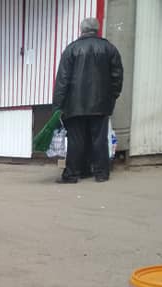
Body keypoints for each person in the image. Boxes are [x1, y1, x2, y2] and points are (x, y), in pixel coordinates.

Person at [52, 17, 124, 183]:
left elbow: (62, 80)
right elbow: (117, 77)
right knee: (99, 139)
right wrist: (112, 97)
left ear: (82, 30)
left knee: (76, 140)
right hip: (100, 104)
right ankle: (101, 174)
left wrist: (58, 106)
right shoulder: (109, 48)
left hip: (74, 105)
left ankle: (72, 174)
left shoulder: (71, 50)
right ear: (96, 30)